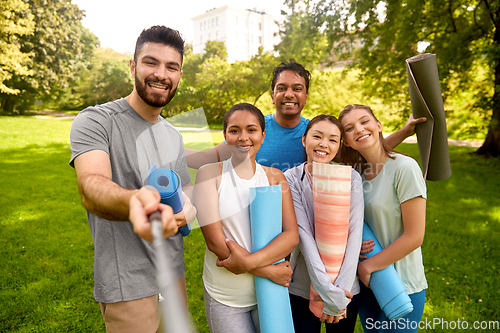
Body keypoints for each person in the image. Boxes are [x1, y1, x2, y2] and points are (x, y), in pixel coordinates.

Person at [69, 26, 196, 333]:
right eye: (151, 62)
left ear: (180, 75)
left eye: (172, 67)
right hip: (127, 281)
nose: (161, 74)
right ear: (133, 65)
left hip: (173, 273)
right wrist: (134, 200)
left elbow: (183, 191)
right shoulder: (96, 121)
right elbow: (92, 185)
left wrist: (189, 209)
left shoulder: (173, 134)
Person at [185, 60, 426, 172]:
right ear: (272, 94)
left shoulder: (315, 133)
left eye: (297, 88)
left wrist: (405, 131)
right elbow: (204, 158)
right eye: (282, 88)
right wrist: (162, 146)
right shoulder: (255, 130)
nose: (289, 94)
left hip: (305, 223)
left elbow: (365, 150)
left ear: (306, 96)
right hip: (259, 220)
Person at [193, 103, 299, 333]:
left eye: (251, 130)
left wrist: (251, 265)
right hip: (226, 295)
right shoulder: (210, 174)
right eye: (234, 130)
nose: (243, 138)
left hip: (270, 292)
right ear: (225, 136)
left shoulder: (275, 178)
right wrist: (269, 270)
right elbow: (215, 243)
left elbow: (291, 235)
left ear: (263, 134)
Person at [339, 104, 427, 332]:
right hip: (369, 286)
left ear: (378, 126)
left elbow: (415, 236)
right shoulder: (357, 177)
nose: (359, 129)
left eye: (364, 121)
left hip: (403, 284)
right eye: (350, 128)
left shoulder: (404, 168)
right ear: (346, 141)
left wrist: (368, 266)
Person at [284, 114, 363, 333]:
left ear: (340, 145)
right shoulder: (290, 178)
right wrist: (327, 292)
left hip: (346, 289)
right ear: (304, 139)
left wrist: (339, 293)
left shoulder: (352, 178)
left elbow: (354, 235)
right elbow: (303, 236)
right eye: (317, 136)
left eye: (332, 139)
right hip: (301, 286)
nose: (323, 144)